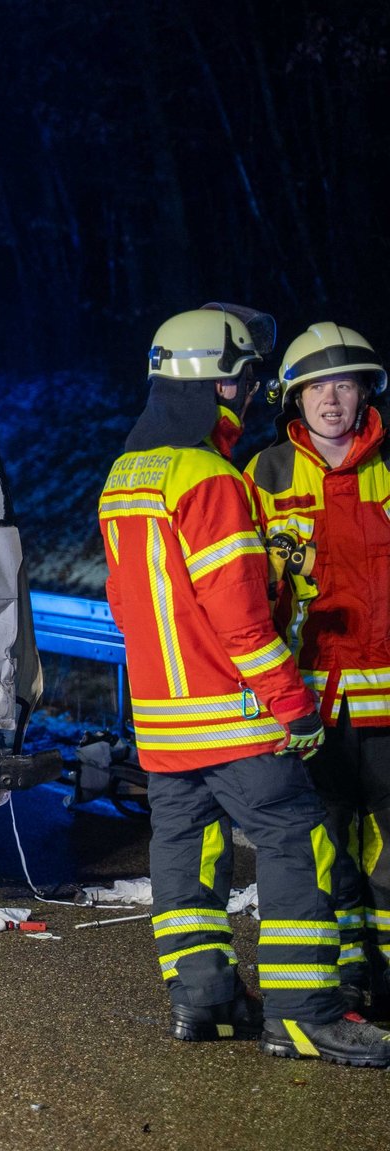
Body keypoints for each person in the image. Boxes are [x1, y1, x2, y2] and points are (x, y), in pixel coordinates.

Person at [100, 308, 389, 1066]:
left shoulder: (126, 473)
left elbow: (127, 604)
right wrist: (295, 707)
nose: (253, 389)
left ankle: (204, 1002)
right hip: (233, 719)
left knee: (186, 855)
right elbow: (240, 620)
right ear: (218, 380)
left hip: (164, 724)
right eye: (247, 374)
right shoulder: (212, 477)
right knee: (301, 845)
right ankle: (303, 1014)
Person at [246, 322, 390, 1018]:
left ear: (366, 391)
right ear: (292, 398)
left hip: (388, 704)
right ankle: (347, 976)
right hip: (309, 706)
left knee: (388, 851)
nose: (331, 399)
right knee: (325, 847)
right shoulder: (264, 475)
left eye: (345, 382)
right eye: (315, 387)